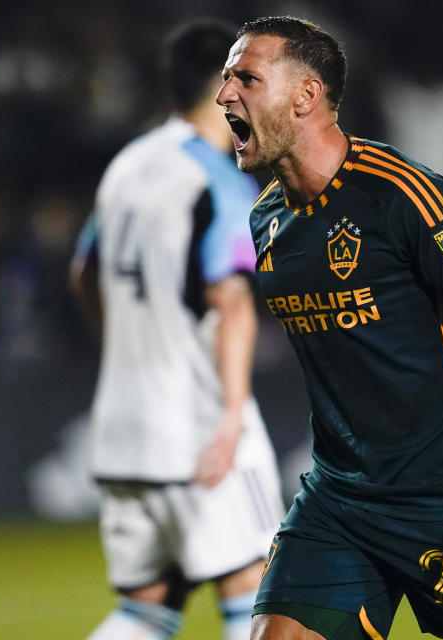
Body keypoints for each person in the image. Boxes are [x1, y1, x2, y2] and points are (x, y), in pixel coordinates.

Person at [216, 16, 443, 640]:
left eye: (247, 78)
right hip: (338, 501)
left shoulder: (404, 196)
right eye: (225, 78)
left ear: (306, 95)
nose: (224, 94)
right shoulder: (266, 221)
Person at [69, 19, 284, 640]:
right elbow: (233, 301)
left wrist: (131, 344)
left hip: (122, 425)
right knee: (261, 597)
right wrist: (231, 417)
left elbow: (84, 272)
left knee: (146, 611)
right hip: (197, 424)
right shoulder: (216, 178)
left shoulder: (126, 168)